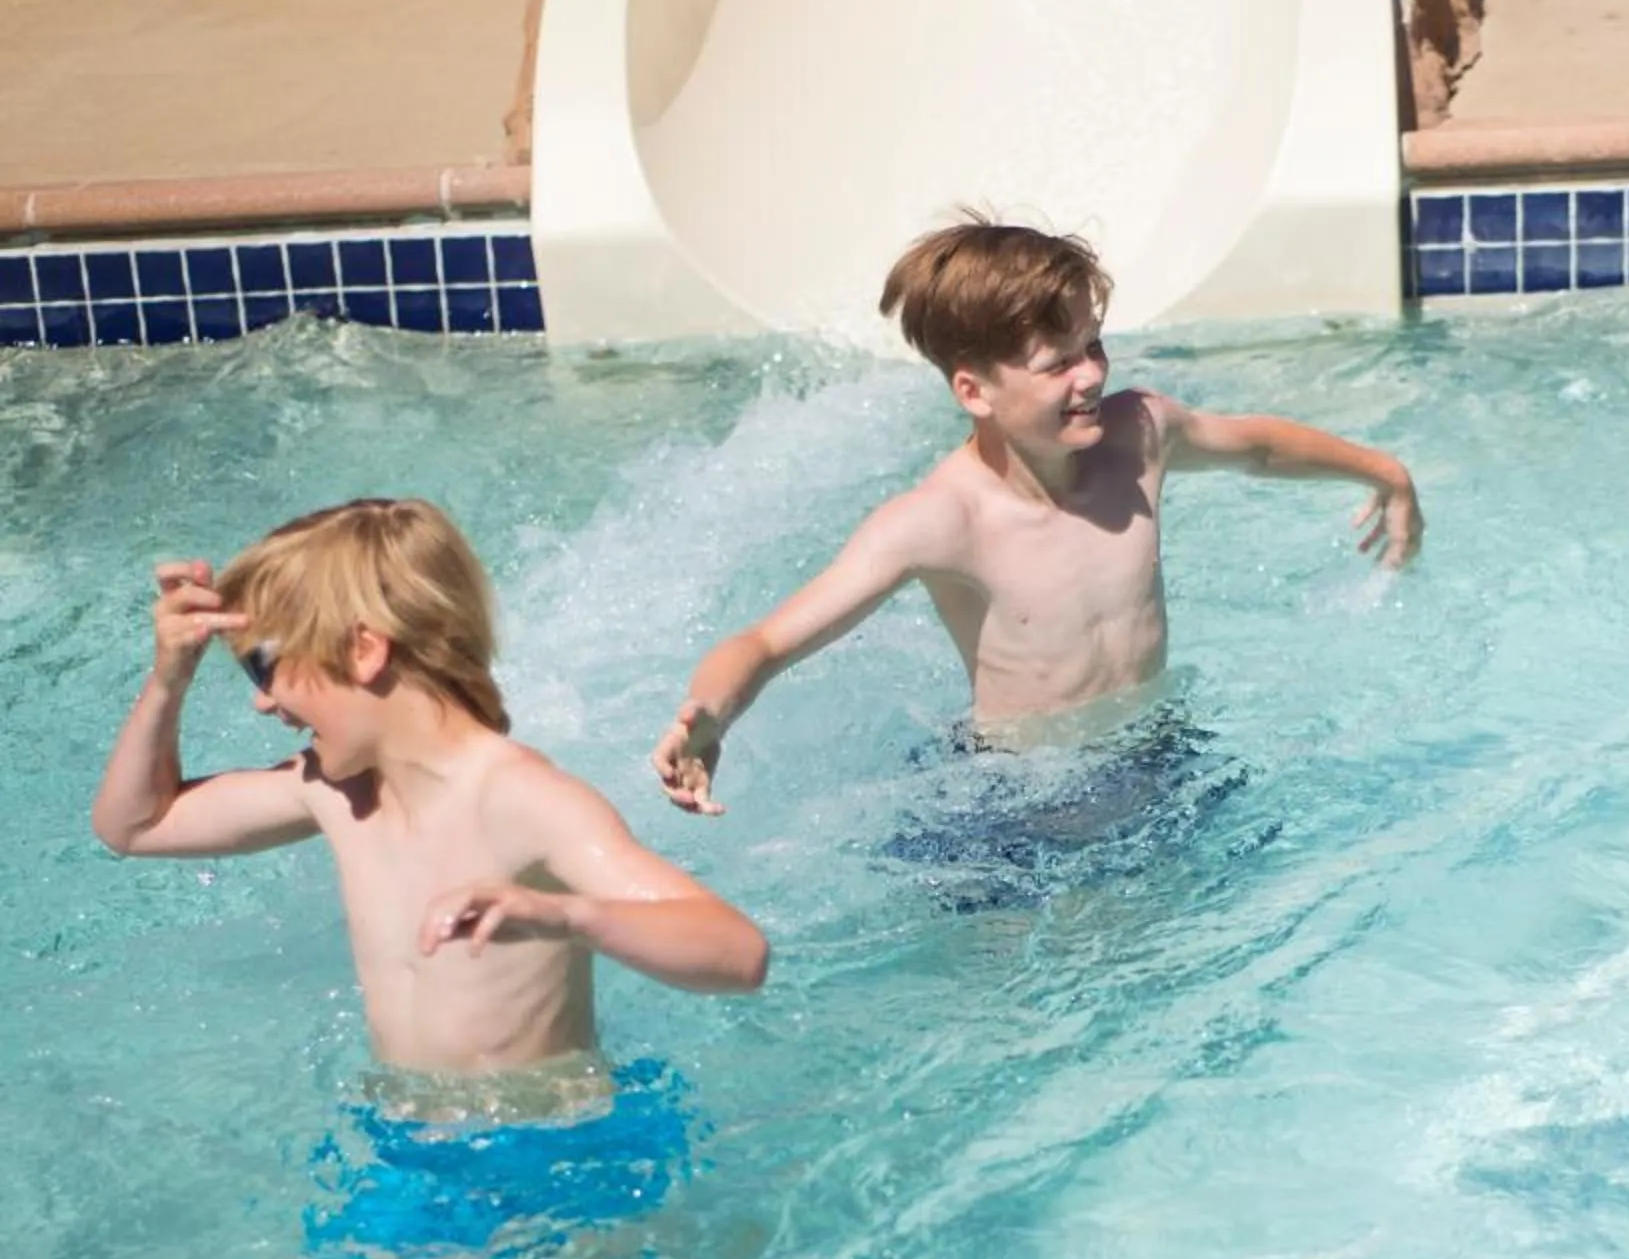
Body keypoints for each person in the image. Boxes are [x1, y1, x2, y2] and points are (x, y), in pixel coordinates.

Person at [653, 219, 1423, 816]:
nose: (1091, 376)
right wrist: (709, 718)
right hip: (1019, 797)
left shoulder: (1139, 436)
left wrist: (1383, 471)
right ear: (974, 391)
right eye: (1058, 364)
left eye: (1094, 346)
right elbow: (767, 643)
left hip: (1155, 755)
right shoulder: (941, 521)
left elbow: (1257, 447)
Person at [94, 497, 769, 1081]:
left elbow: (739, 952)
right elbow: (134, 826)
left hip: (544, 1145)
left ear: (363, 650)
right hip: (405, 1140)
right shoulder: (331, 789)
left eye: (263, 670)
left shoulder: (522, 800)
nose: (263, 703)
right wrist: (169, 680)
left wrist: (569, 916)